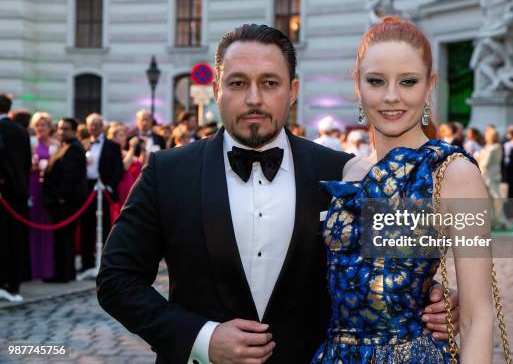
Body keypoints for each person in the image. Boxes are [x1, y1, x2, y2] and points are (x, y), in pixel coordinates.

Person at [97, 23, 459, 364]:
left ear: (293, 90)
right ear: (216, 90)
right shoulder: (168, 172)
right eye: (238, 84)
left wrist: (437, 302)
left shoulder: (345, 173)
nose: (254, 98)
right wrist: (202, 339)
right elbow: (117, 281)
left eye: (270, 83)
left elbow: (392, 272)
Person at [312, 17, 493, 363]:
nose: (391, 96)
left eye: (408, 81)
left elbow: (476, 316)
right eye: (376, 81)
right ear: (358, 86)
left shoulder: (455, 173)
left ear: (429, 87)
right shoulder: (349, 171)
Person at [42, 117, 87, 283]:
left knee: (65, 239)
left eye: (66, 128)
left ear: (74, 130)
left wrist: (61, 197)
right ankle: (64, 272)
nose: (61, 131)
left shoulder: (74, 149)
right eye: (60, 128)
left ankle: (63, 274)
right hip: (61, 201)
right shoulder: (66, 147)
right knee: (62, 238)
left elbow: (70, 177)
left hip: (66, 202)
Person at [80, 113, 123, 272]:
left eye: (97, 124)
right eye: (91, 124)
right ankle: (87, 264)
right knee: (87, 226)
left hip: (104, 188)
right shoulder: (83, 144)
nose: (93, 127)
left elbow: (118, 170)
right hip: (87, 188)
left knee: (105, 227)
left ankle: (105, 263)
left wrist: (109, 187)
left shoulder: (112, 146)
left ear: (102, 127)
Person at [0, 93, 32, 302]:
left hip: (4, 192)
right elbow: (27, 162)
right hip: (19, 191)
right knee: (16, 238)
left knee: (3, 238)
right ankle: (14, 283)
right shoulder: (20, 130)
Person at [29, 112, 60, 280]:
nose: (41, 128)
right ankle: (35, 269)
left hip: (49, 189)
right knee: (33, 227)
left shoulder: (56, 144)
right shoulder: (31, 143)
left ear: (49, 127)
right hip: (33, 186)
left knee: (48, 228)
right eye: (38, 125)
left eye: (44, 125)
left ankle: (48, 269)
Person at [476, 127, 510, 229]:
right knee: (490, 199)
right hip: (490, 176)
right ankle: (493, 221)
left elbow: (485, 163)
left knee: (495, 198)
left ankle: (501, 220)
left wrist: (478, 159)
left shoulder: (493, 148)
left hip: (489, 176)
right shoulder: (493, 147)